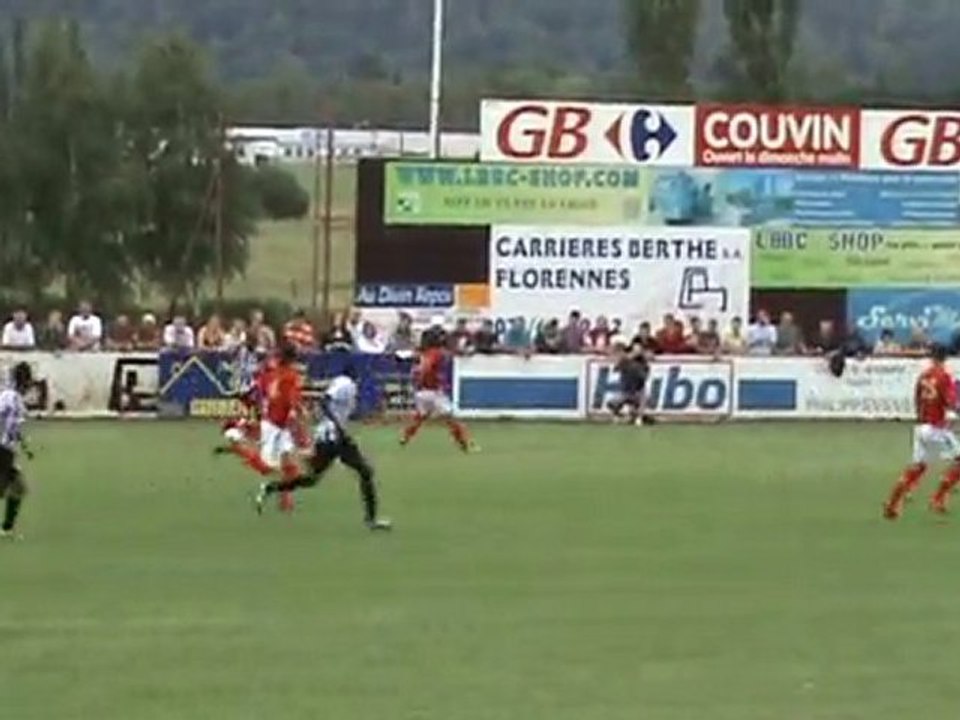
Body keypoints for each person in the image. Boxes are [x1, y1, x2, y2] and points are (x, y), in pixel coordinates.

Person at [255, 367, 392, 531]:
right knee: (365, 472)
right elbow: (324, 401)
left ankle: (271, 487)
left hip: (332, 437)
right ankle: (371, 520)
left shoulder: (343, 384)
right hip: (333, 437)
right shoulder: (345, 383)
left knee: (312, 479)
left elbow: (333, 406)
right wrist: (338, 427)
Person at [883, 344, 960, 520]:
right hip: (935, 428)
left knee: (918, 467)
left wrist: (921, 418)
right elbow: (949, 402)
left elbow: (917, 399)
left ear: (931, 357)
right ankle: (937, 499)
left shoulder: (923, 377)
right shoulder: (944, 377)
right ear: (945, 358)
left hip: (921, 428)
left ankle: (892, 503)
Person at [399, 329, 474, 452]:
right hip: (434, 391)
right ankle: (464, 443)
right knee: (451, 418)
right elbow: (429, 365)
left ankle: (405, 437)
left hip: (421, 391)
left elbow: (416, 363)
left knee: (420, 417)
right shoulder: (436, 353)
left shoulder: (422, 352)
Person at [0, 362, 33, 539]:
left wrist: (25, 447)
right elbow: (11, 425)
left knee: (17, 488)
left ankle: (7, 529)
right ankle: (6, 529)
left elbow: (13, 428)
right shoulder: (13, 400)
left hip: (6, 450)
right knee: (14, 488)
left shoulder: (9, 397)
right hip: (2, 450)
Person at [607, 337, 651, 425]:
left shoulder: (643, 363)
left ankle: (639, 417)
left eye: (639, 349)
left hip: (638, 391)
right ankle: (620, 416)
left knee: (645, 398)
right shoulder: (625, 360)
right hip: (626, 391)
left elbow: (645, 377)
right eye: (635, 348)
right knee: (611, 403)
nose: (637, 351)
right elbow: (617, 367)